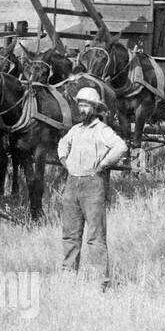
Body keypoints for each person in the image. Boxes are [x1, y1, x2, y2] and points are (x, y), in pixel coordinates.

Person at [56, 87, 129, 286]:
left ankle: (101, 281)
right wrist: (65, 161)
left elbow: (121, 147)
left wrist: (104, 164)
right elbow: (62, 144)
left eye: (86, 105)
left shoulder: (102, 130)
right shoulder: (75, 129)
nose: (82, 109)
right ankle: (68, 276)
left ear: (95, 108)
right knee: (70, 234)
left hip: (92, 184)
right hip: (72, 184)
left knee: (95, 237)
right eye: (80, 104)